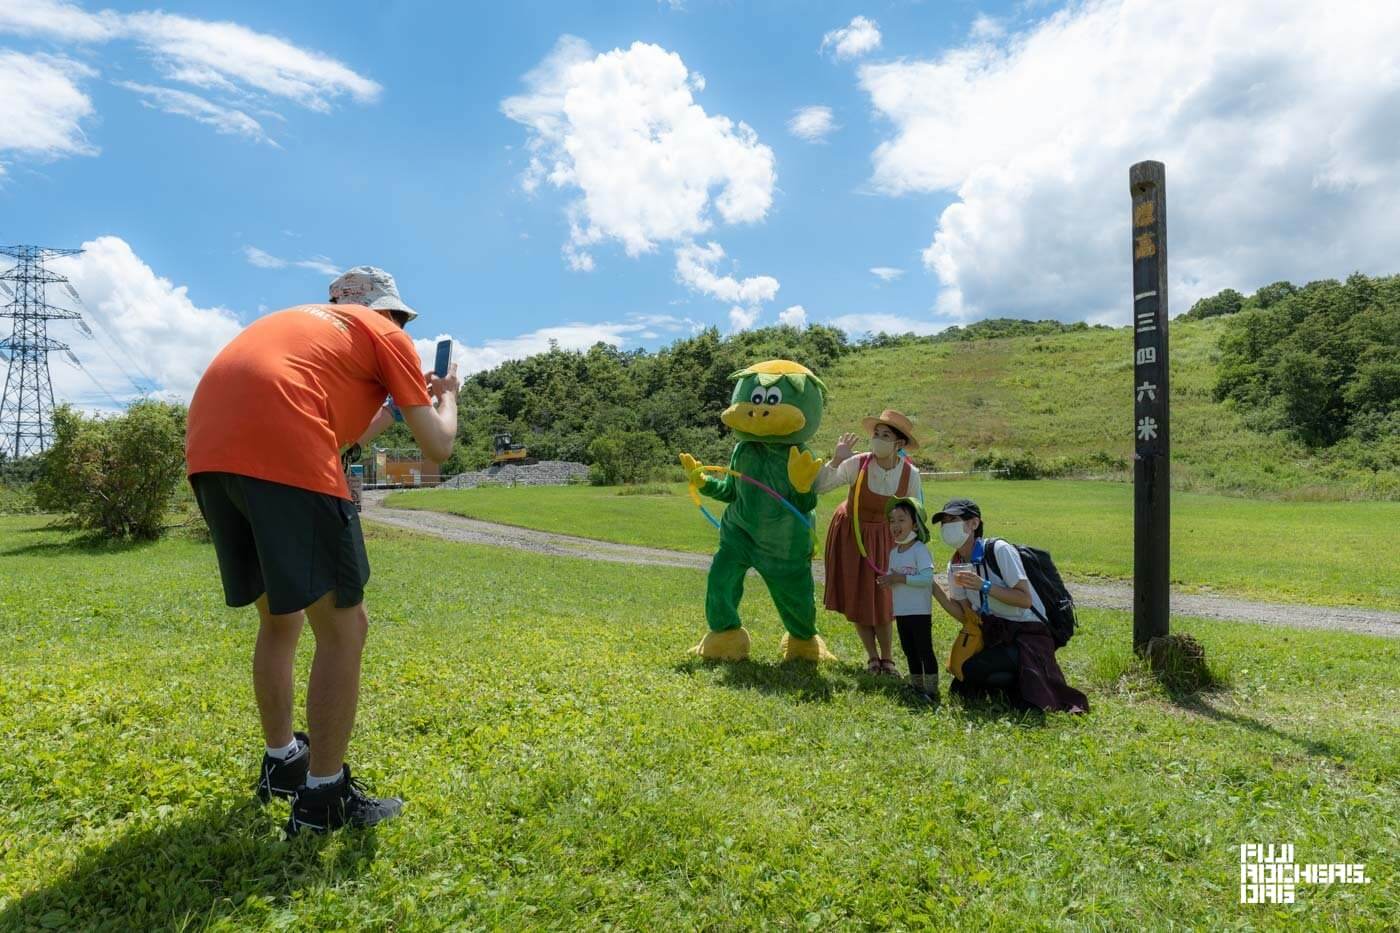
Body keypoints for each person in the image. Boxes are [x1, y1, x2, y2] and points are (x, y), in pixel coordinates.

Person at [185, 266, 461, 834]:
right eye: (401, 319)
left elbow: (339, 435)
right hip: (283, 450)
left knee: (280, 619)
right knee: (345, 627)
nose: (401, 327)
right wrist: (447, 397)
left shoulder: (302, 328)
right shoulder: (387, 335)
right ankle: (323, 799)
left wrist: (390, 405)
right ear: (390, 313)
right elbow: (437, 446)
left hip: (210, 453)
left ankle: (283, 761)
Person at [933, 497, 1088, 714]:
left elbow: (1024, 599)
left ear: (974, 524)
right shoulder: (956, 564)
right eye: (944, 521)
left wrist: (984, 586)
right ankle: (1013, 681)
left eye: (954, 519)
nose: (947, 526)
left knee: (973, 669)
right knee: (960, 682)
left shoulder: (998, 550)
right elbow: (965, 614)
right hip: (995, 633)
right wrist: (932, 588)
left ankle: (1022, 681)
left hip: (1028, 633)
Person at [816, 410, 923, 675]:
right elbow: (820, 487)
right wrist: (836, 460)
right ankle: (873, 658)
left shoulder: (911, 475)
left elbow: (915, 514)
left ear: (899, 444)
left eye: (885, 435)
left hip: (886, 537)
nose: (877, 439)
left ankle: (888, 659)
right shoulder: (857, 464)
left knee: (883, 599)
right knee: (858, 594)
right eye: (876, 434)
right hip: (851, 532)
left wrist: (909, 548)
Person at [877, 496, 955, 701]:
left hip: (919, 611)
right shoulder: (894, 552)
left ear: (915, 523)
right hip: (901, 611)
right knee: (909, 649)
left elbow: (927, 578)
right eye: (892, 521)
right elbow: (894, 576)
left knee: (923, 649)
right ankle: (916, 686)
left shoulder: (920, 550)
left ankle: (931, 689)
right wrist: (888, 580)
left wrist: (898, 577)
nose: (896, 525)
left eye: (902, 520)